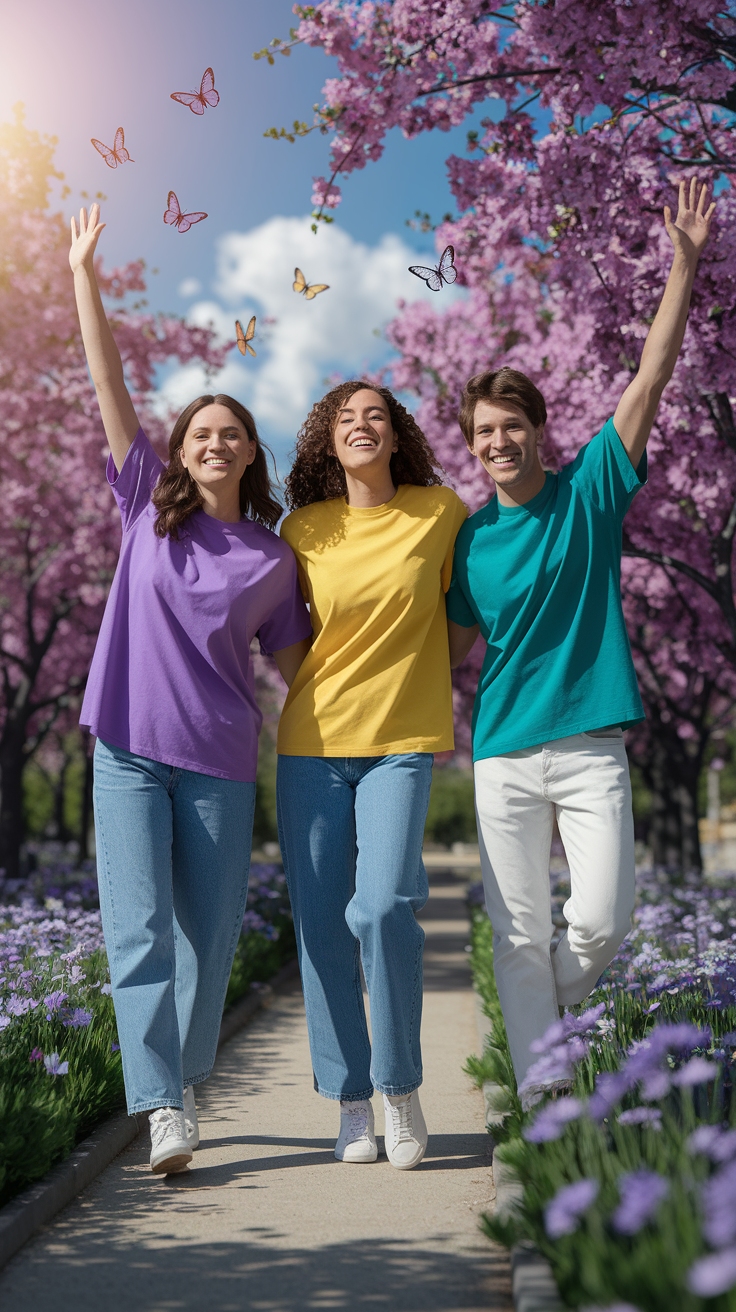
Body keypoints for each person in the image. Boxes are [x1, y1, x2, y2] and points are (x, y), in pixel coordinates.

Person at [446, 178, 716, 1107]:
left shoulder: (591, 493)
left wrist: (682, 264)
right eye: (483, 433)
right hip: (505, 755)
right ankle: (542, 1102)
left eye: (511, 425)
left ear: (539, 430)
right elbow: (441, 649)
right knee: (516, 932)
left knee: (600, 921)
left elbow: (649, 377)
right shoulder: (469, 541)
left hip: (592, 742)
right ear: (473, 446)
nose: (498, 441)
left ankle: (543, 1021)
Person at [70, 204, 312, 1173]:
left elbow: (302, 670)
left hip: (216, 761)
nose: (214, 442)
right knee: (137, 934)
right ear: (180, 452)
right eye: (200, 432)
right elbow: (107, 385)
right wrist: (84, 274)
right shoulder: (145, 510)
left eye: (231, 433)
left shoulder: (271, 558)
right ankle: (164, 1106)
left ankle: (181, 1065)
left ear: (252, 453)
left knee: (207, 940)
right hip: (126, 748)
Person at [276, 382, 467, 1168]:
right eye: (345, 418)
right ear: (327, 441)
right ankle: (352, 1098)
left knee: (384, 906)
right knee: (322, 926)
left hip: (402, 740)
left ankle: (399, 1086)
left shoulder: (440, 511)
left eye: (375, 416)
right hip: (312, 745)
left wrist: (415, 675)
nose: (361, 425)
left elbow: (460, 620)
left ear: (397, 436)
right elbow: (289, 641)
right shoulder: (301, 530)